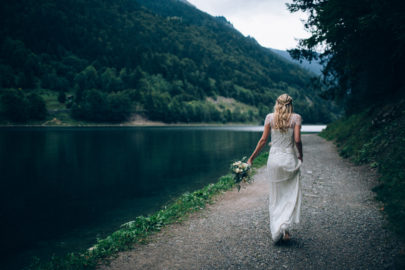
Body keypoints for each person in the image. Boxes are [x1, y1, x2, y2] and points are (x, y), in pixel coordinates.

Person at [247, 93, 303, 243]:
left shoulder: (270, 118)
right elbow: (297, 140)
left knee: (276, 195)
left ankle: (279, 227)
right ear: (291, 104)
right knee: (290, 193)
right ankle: (285, 227)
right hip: (289, 159)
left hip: (274, 160)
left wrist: (251, 158)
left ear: (277, 103)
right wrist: (300, 155)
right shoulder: (296, 118)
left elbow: (263, 140)